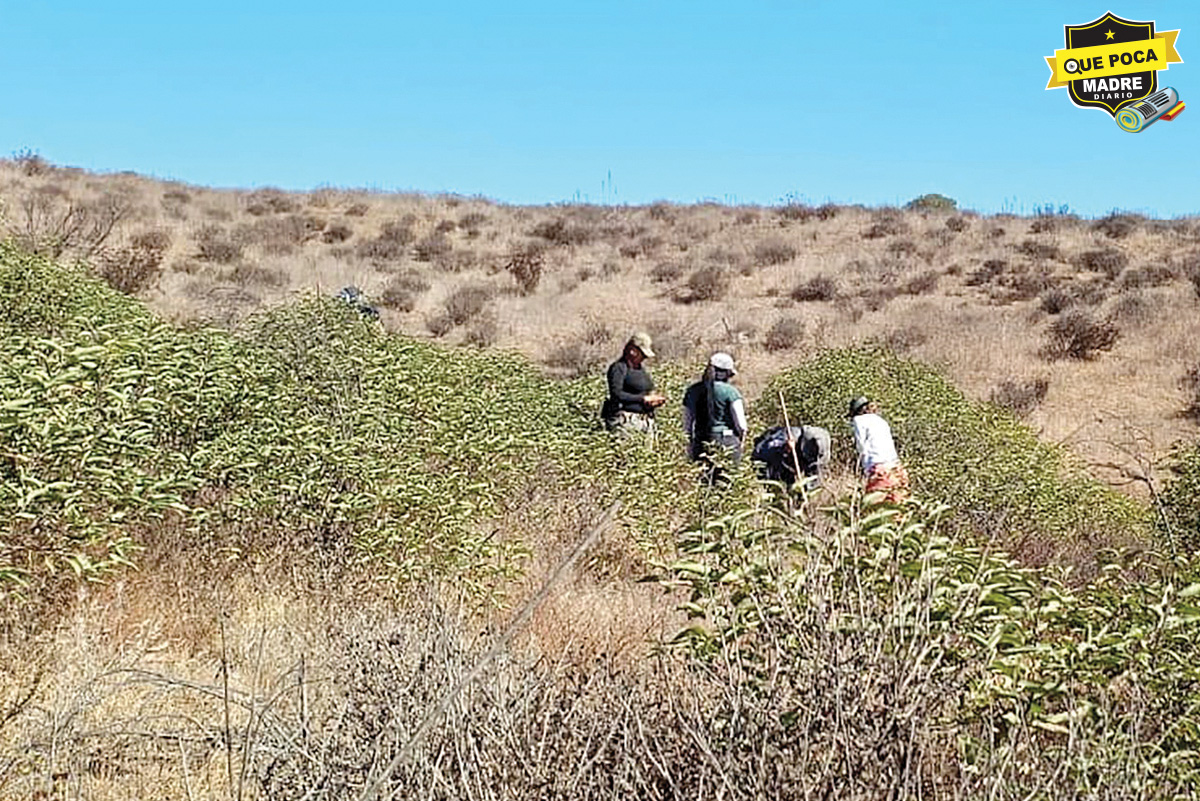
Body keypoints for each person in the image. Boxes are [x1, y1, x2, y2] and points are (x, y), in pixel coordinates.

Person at [682, 353, 747, 483]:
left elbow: (687, 425)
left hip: (701, 442)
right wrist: (741, 441)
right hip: (727, 442)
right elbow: (741, 425)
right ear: (726, 373)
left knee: (704, 484)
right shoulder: (731, 392)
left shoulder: (692, 391)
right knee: (727, 485)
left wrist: (690, 446)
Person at [600, 332, 667, 435]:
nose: (644, 358)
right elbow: (617, 394)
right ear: (632, 350)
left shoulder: (640, 370)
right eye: (642, 354)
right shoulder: (619, 368)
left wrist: (653, 400)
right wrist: (643, 399)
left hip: (645, 421)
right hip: (626, 421)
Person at [848, 396, 910, 503]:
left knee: (874, 508)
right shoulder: (881, 420)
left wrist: (861, 467)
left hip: (878, 469)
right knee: (898, 506)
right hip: (896, 468)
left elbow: (861, 446)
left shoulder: (858, 420)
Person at [752, 424, 831, 491]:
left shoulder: (822, 447)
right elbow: (764, 449)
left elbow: (815, 476)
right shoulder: (788, 436)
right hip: (769, 462)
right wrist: (784, 448)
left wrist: (806, 490)